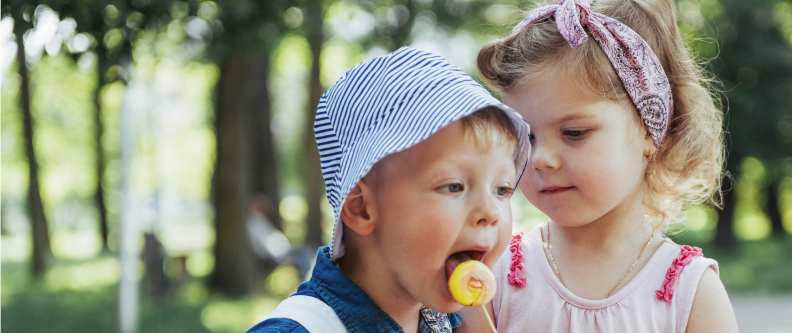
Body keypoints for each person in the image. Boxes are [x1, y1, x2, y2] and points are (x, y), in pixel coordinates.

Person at [458, 0, 738, 331]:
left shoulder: (691, 294)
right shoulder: (494, 275)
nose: (541, 158)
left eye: (574, 133)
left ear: (650, 131)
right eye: (526, 137)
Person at [248, 47, 531, 333]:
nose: (491, 212)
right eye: (453, 186)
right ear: (362, 207)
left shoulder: (454, 323)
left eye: (502, 189)